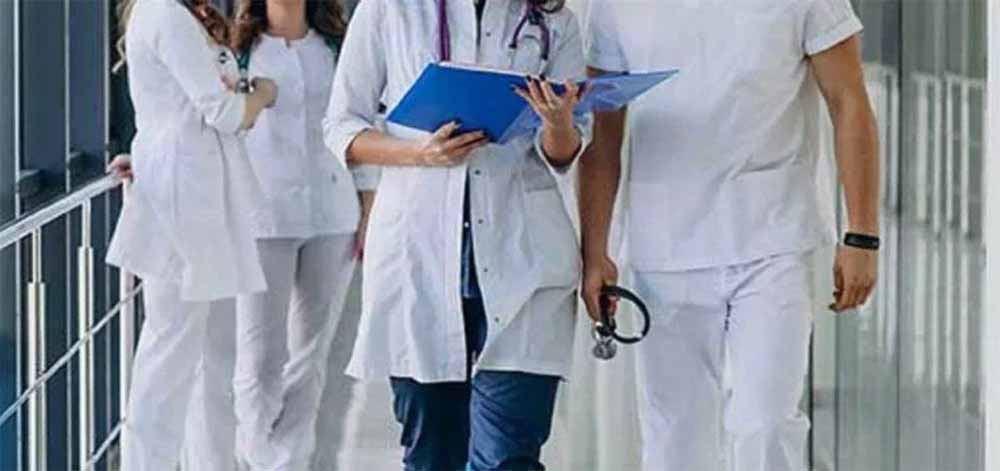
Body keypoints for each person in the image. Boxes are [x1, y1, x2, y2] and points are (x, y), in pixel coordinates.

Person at [580, 1, 880, 470]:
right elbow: (603, 136)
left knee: (766, 424)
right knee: (675, 441)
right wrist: (595, 253)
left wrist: (862, 234)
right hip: (664, 248)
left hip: (773, 239)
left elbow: (849, 100)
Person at [324, 0, 590, 469]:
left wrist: (558, 123)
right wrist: (419, 154)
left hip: (524, 260)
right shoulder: (389, 9)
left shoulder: (553, 20)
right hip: (419, 257)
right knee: (432, 455)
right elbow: (343, 125)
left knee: (509, 459)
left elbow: (565, 153)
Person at [106, 0, 277, 469]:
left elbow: (178, 107)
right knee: (171, 353)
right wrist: (263, 94)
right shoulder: (164, 13)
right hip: (185, 204)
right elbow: (225, 113)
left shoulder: (173, 14)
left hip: (200, 199)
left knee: (211, 354)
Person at [221, 0, 375, 469]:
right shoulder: (238, 52)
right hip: (262, 219)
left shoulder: (338, 50)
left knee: (310, 359)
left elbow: (363, 127)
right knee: (259, 358)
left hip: (332, 214)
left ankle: (290, 461)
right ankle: (260, 457)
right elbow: (213, 125)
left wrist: (368, 210)